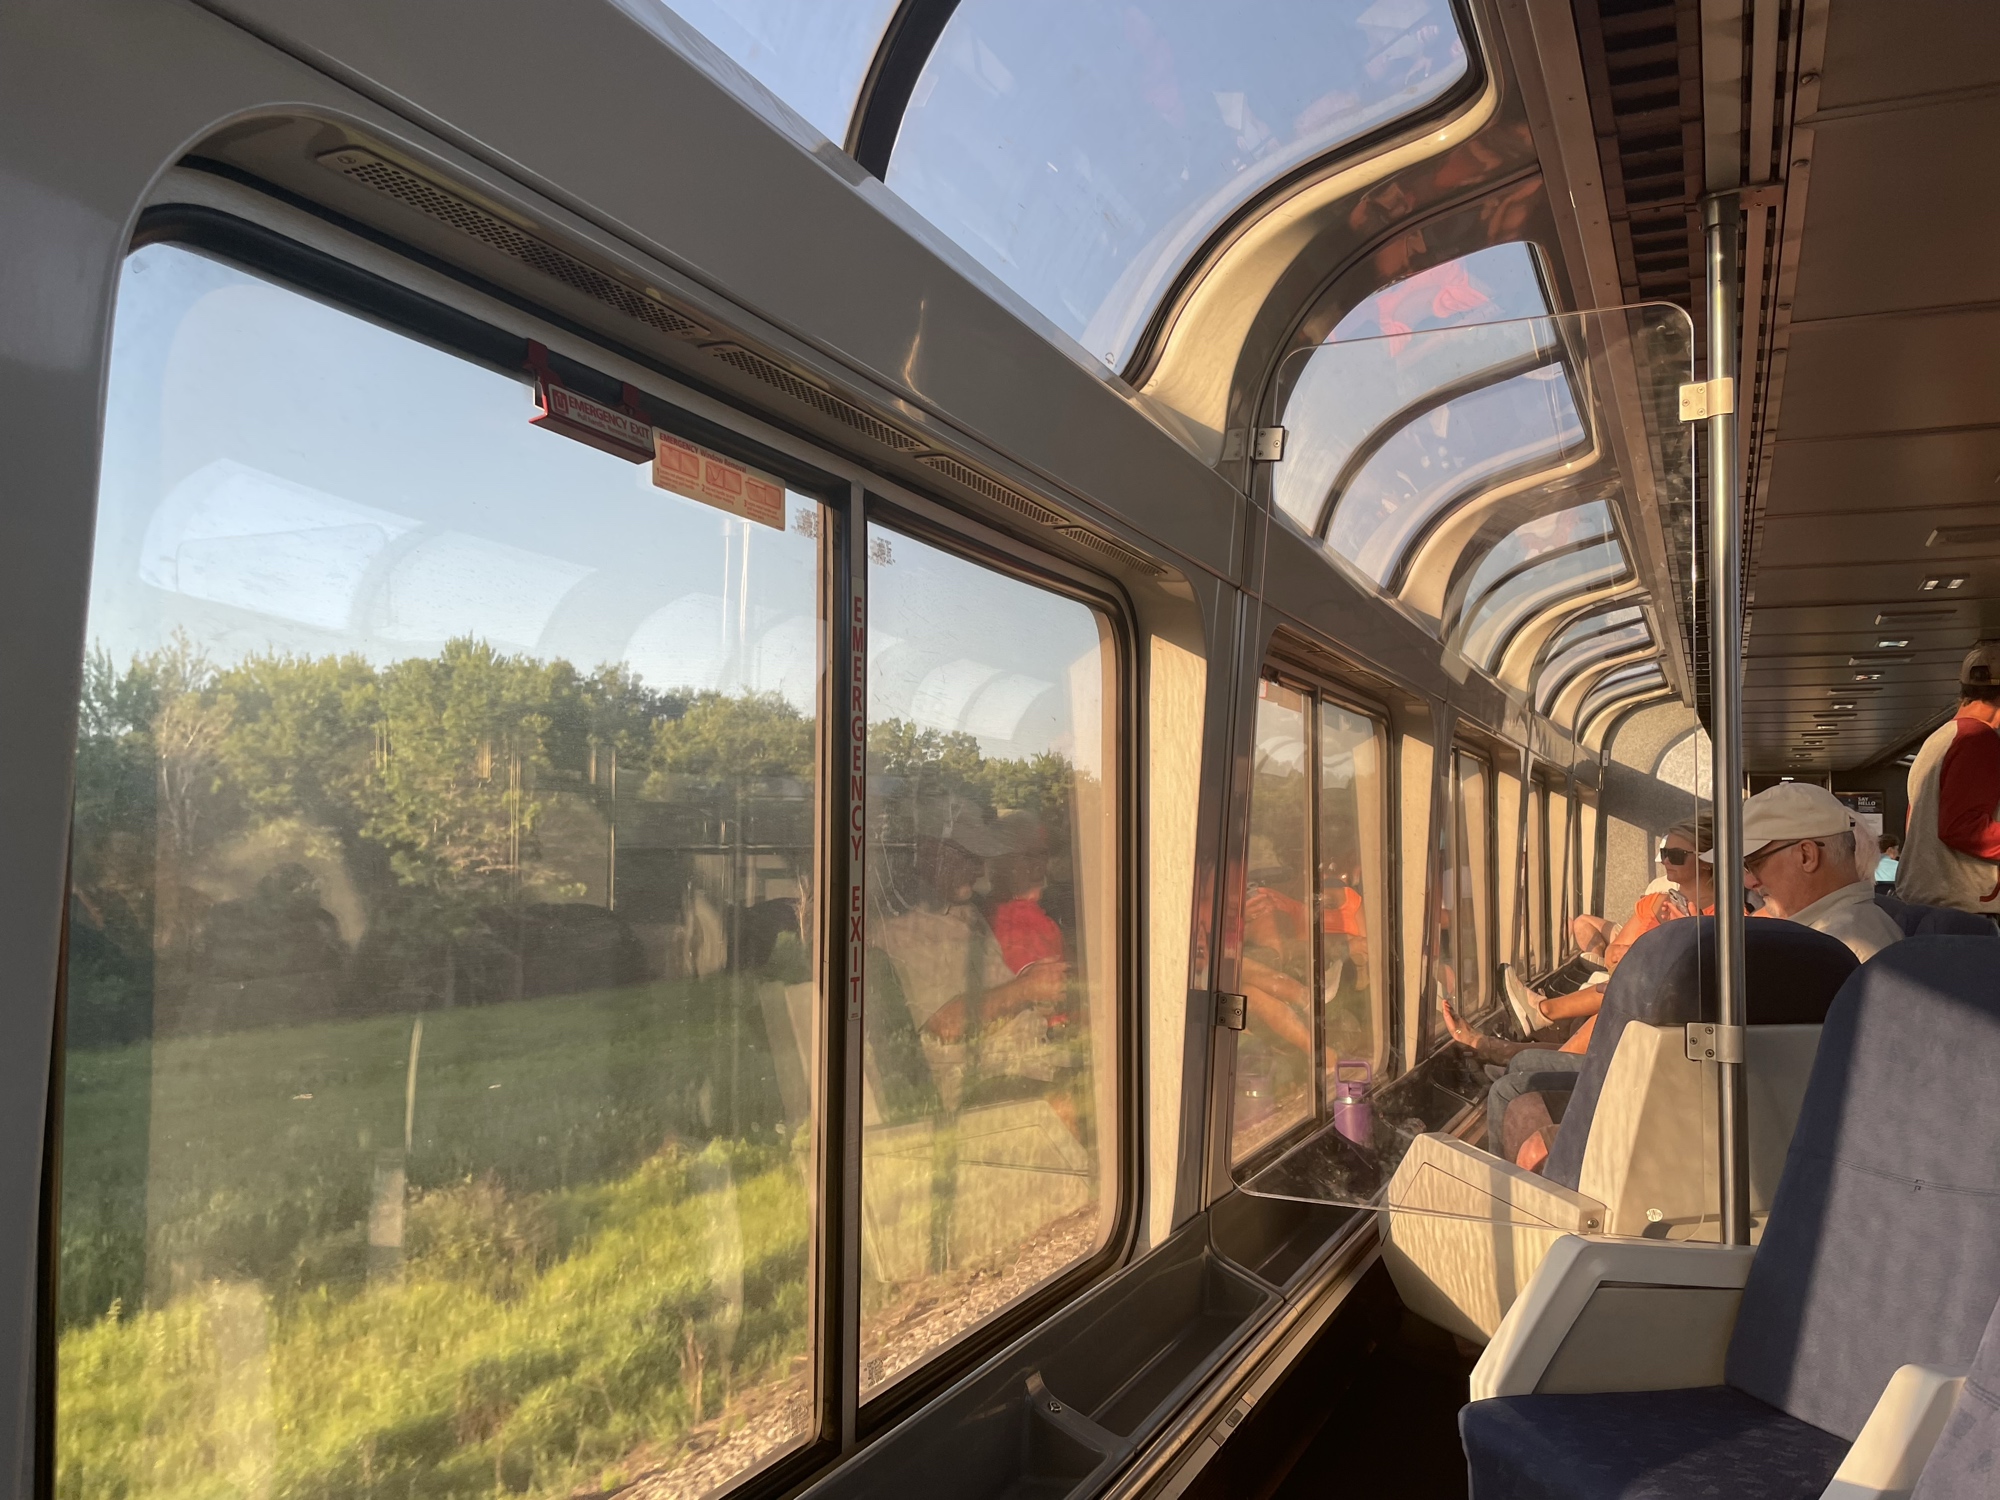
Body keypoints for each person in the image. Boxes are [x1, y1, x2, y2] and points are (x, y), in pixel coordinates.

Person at [1449, 816, 1720, 1156]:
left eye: (1676, 855)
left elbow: (1687, 986)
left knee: (1518, 1081)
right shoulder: (1657, 903)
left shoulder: (1722, 924)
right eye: (1664, 853)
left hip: (1648, 1040)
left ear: (1706, 861)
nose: (1666, 861)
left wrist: (1682, 937)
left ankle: (1528, 1024)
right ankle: (1518, 1034)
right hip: (1626, 1012)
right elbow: (1614, 956)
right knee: (1531, 1062)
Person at [1741, 782, 1905, 961]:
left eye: (1754, 864)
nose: (1749, 882)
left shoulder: (1832, 949)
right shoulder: (1860, 929)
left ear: (1806, 856)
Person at [1896, 642, 2000, 916]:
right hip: (1965, 906)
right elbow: (1962, 827)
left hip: (1929, 901)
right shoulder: (1978, 739)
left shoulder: (1940, 738)